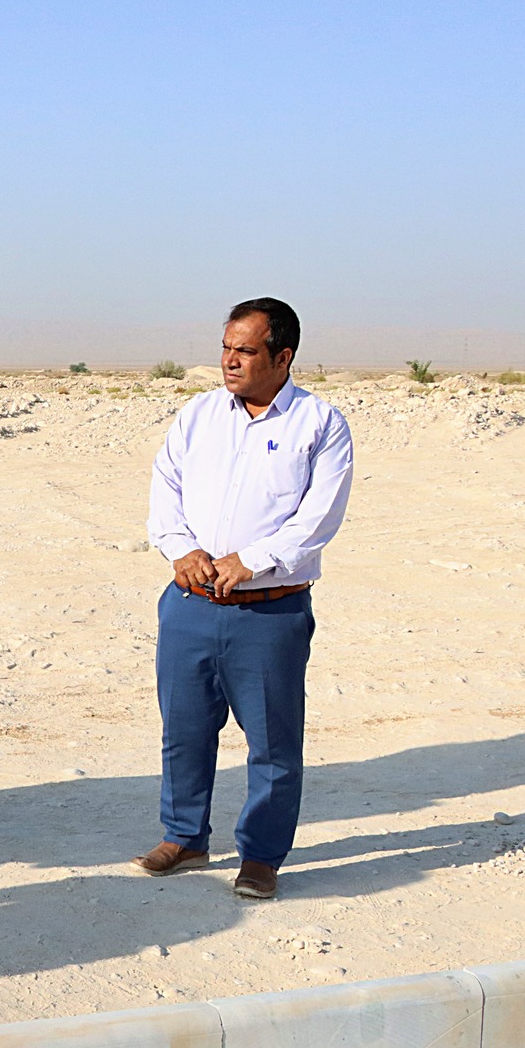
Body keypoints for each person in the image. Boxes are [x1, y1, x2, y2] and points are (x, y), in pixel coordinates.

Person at [136, 298, 354, 900]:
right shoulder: (199, 415)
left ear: (283, 357)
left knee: (272, 744)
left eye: (246, 351)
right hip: (189, 606)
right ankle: (184, 836)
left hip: (270, 612)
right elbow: (166, 486)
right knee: (184, 730)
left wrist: (251, 560)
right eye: (226, 348)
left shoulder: (319, 424)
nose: (230, 361)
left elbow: (319, 516)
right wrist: (181, 549)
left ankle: (261, 855)